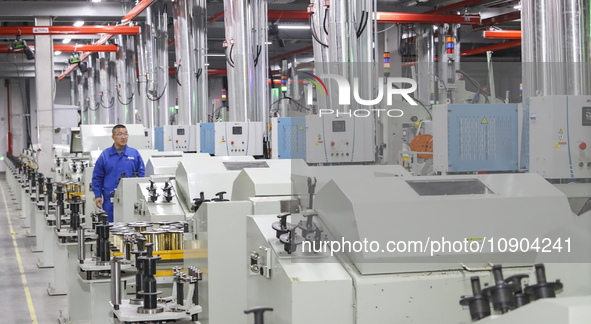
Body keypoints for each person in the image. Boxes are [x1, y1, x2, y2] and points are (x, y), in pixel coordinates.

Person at [92, 124, 145, 222]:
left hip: (131, 199)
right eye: (120, 134)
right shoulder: (105, 155)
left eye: (125, 134)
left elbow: (141, 176)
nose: (123, 137)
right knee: (111, 228)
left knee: (131, 226)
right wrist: (98, 195)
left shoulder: (134, 154)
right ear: (113, 137)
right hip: (110, 200)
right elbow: (97, 177)